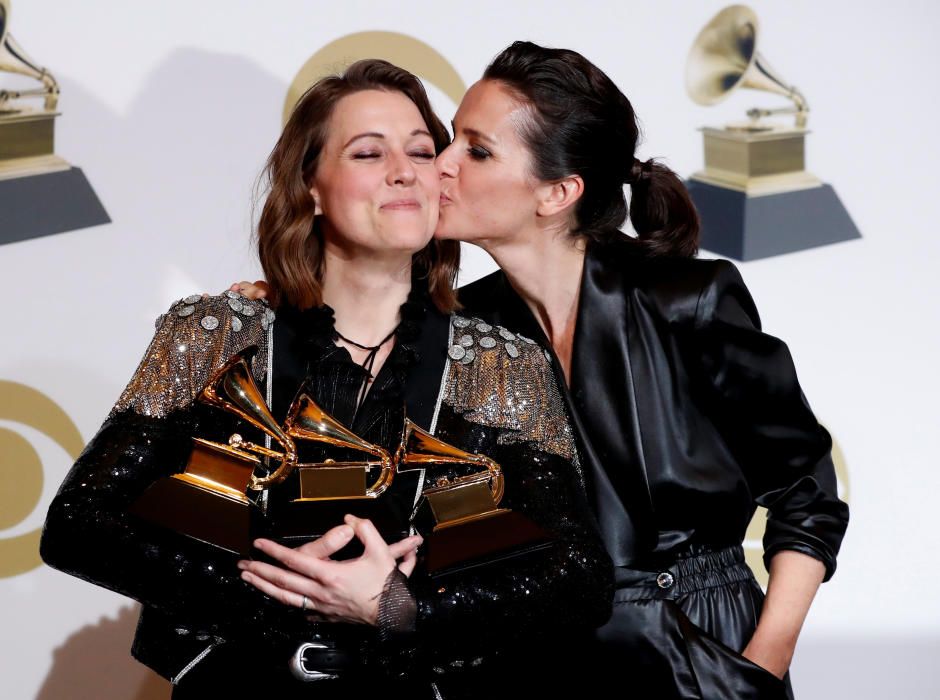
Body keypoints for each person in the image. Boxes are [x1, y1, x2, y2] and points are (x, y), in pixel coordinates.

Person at [232, 41, 850, 699]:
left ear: (556, 193)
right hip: (535, 662)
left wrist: (758, 669)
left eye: (476, 150)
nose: (437, 165)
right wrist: (287, 308)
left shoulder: (687, 300)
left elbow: (805, 493)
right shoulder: (464, 330)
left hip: (701, 656)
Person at [39, 58, 611, 699]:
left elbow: (579, 579)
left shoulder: (501, 362)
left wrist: (398, 607)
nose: (403, 170)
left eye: (422, 152)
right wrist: (282, 593)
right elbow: (79, 524)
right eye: (368, 153)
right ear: (311, 185)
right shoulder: (219, 331)